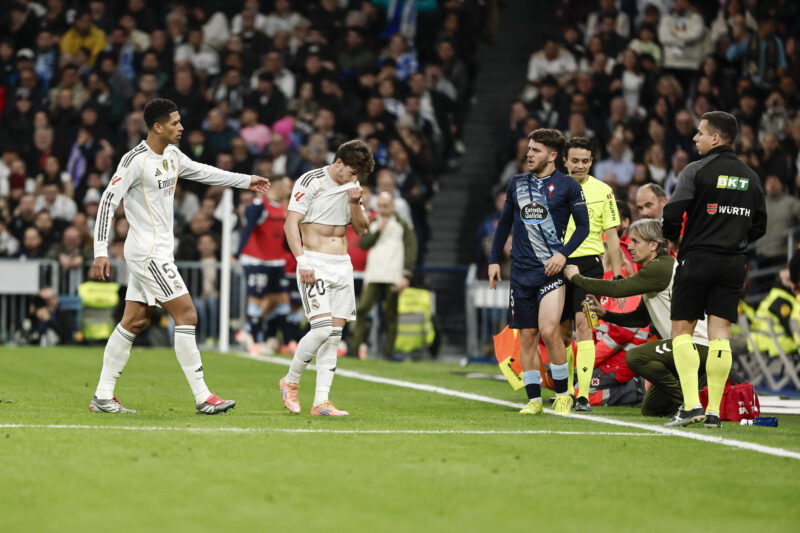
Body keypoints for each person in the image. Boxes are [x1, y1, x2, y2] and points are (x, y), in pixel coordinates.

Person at [89, 98, 270, 414]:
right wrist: (100, 251)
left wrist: (246, 180)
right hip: (147, 253)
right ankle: (203, 397)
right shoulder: (134, 161)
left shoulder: (172, 155)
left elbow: (204, 172)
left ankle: (103, 396)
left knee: (134, 320)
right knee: (187, 315)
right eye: (175, 122)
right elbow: (107, 202)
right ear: (157, 126)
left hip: (157, 252)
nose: (181, 127)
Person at [662, 111, 767, 428]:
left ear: (716, 138)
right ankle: (713, 412)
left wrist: (674, 239)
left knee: (682, 330)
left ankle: (692, 405)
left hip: (697, 259)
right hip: (734, 263)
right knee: (721, 335)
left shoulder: (696, 170)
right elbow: (760, 226)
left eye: (700, 133)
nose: (694, 137)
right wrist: (733, 238)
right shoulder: (751, 176)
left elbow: (673, 212)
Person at [488, 128, 589, 416]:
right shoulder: (517, 183)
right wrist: (494, 259)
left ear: (553, 156)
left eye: (536, 150)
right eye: (529, 149)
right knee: (528, 335)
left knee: (548, 331)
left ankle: (562, 395)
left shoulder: (569, 186)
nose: (529, 154)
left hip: (550, 270)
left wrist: (562, 254)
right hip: (520, 271)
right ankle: (534, 401)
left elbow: (584, 227)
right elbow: (504, 223)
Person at [565, 219, 711, 417]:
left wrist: (577, 278)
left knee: (636, 356)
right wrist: (606, 314)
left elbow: (618, 288)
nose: (630, 246)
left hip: (695, 344)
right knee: (651, 409)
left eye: (635, 241)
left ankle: (690, 403)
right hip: (683, 347)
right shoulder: (656, 269)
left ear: (653, 245)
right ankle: (693, 397)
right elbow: (640, 318)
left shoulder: (660, 267)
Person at [279, 139, 373, 416]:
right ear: (339, 162)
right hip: (314, 261)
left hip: (342, 264)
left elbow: (362, 230)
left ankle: (321, 401)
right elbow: (290, 223)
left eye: (358, 174)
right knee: (320, 329)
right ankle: (291, 380)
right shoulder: (311, 180)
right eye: (352, 171)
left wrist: (355, 204)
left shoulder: (352, 189)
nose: (354, 178)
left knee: (334, 336)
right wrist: (302, 261)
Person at [560, 137, 622, 412]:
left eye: (585, 161)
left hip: (589, 268)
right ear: (565, 161)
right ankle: (564, 391)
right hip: (557, 264)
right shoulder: (553, 187)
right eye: (575, 161)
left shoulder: (604, 191)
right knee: (559, 333)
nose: (580, 166)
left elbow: (612, 235)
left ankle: (582, 395)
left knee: (585, 327)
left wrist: (618, 276)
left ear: (592, 162)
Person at [348, 191, 418, 359]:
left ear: (393, 206)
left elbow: (411, 250)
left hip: (393, 275)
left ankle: (389, 352)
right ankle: (354, 349)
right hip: (374, 274)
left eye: (386, 206)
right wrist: (377, 231)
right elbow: (363, 243)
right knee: (363, 309)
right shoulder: (372, 222)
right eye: (380, 206)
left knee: (390, 315)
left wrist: (406, 275)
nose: (383, 209)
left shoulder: (403, 225)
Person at [236, 176, 293, 354]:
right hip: (257, 260)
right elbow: (247, 228)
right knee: (257, 299)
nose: (290, 189)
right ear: (276, 186)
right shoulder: (259, 206)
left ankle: (288, 341)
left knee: (282, 300)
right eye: (287, 185)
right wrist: (237, 253)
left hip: (276, 260)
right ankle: (254, 339)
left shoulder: (284, 208)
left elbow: (282, 238)